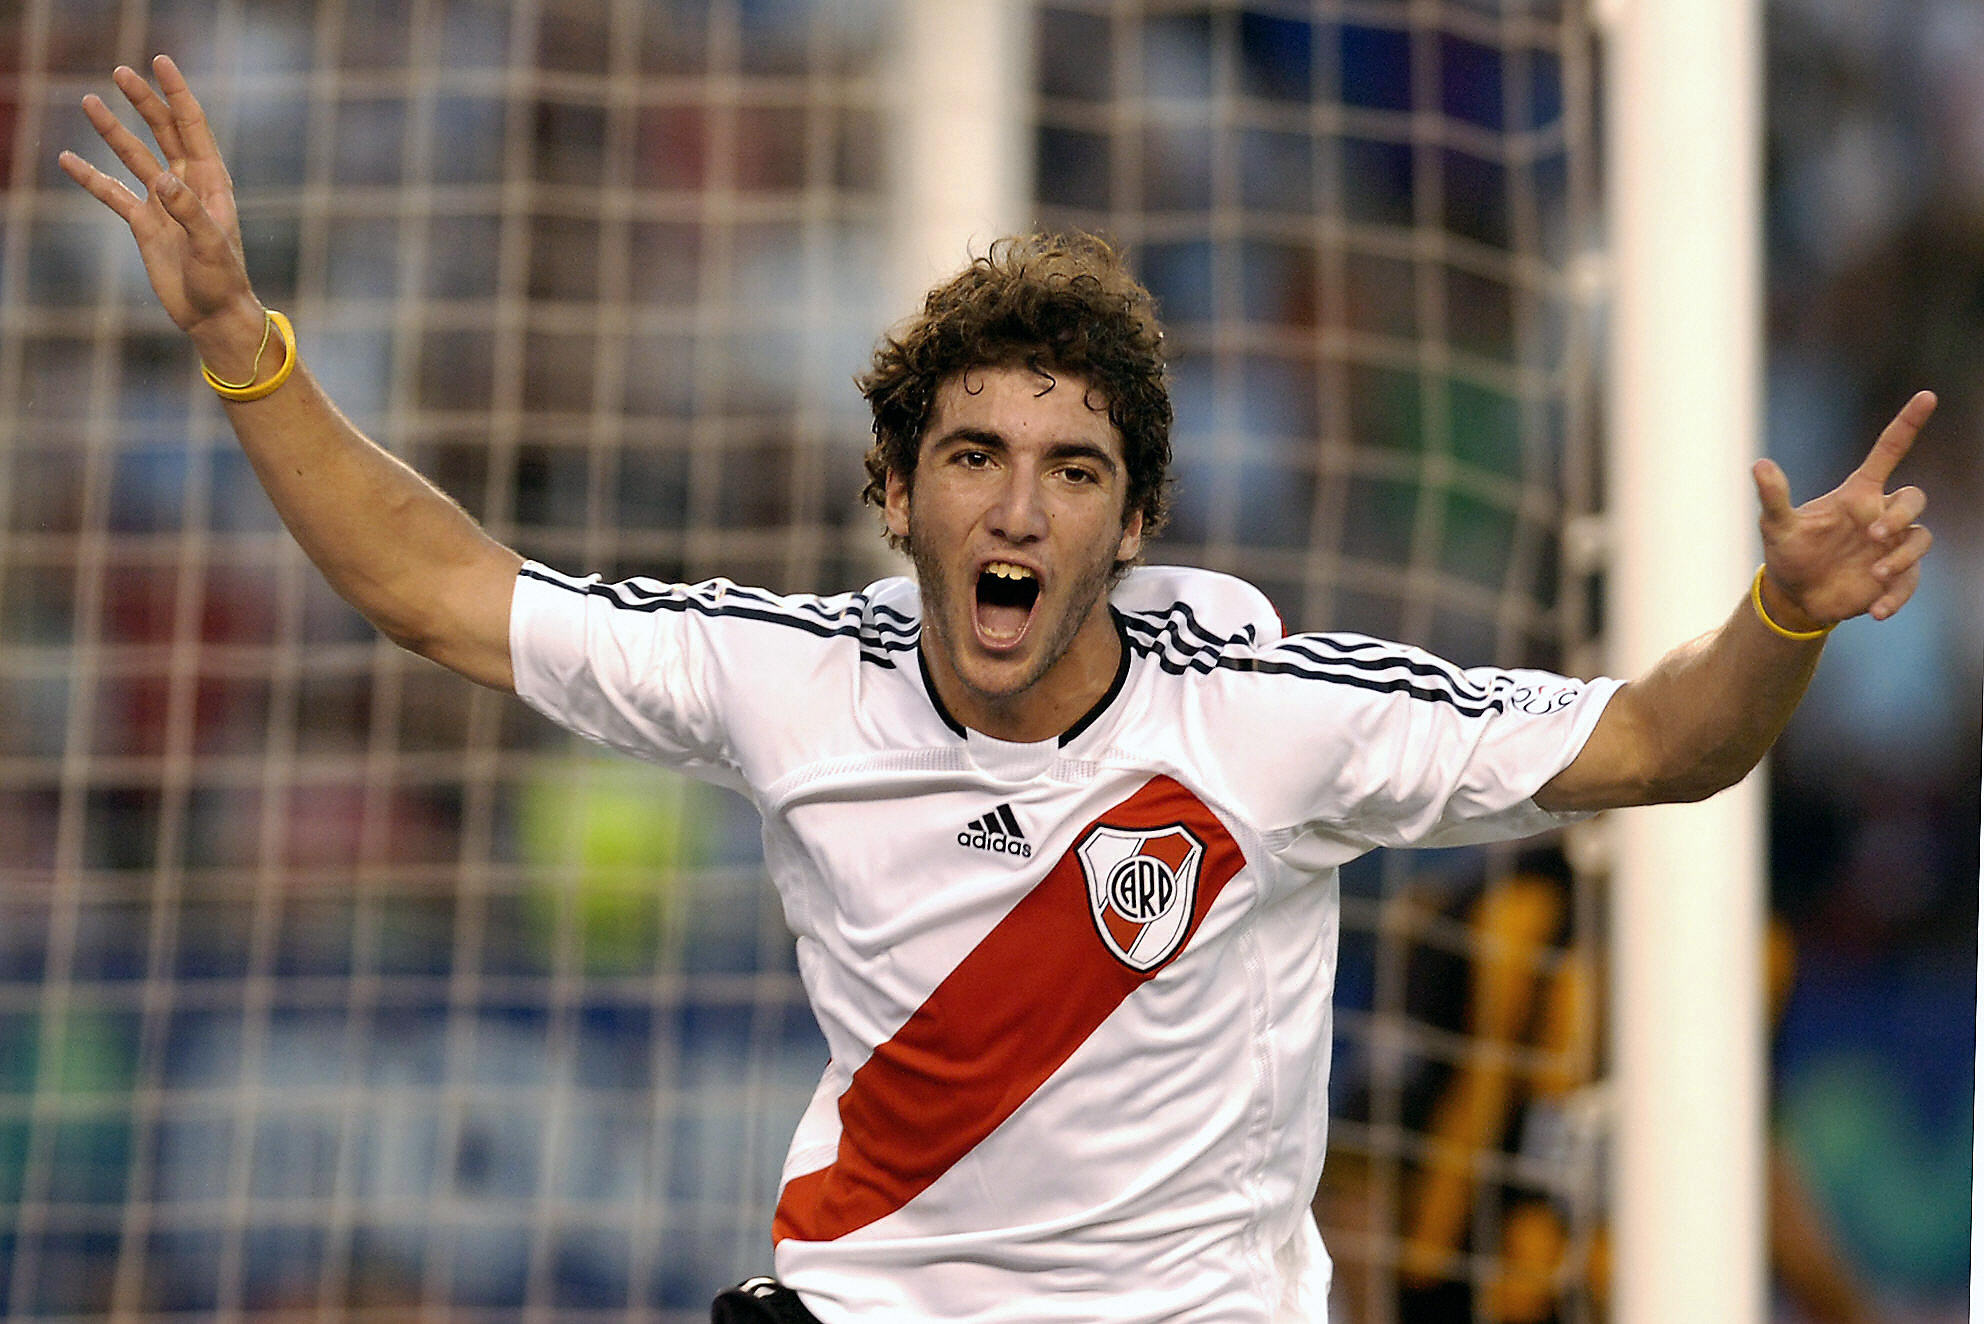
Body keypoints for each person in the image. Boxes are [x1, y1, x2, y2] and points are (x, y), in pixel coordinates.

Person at [62, 56, 1934, 1324]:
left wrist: (1778, 616)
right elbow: (442, 595)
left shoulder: (1269, 716)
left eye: (1072, 468)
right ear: (897, 495)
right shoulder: (793, 681)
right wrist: (242, 343)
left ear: (1134, 522)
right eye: (972, 458)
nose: (1017, 504)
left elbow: (1663, 748)